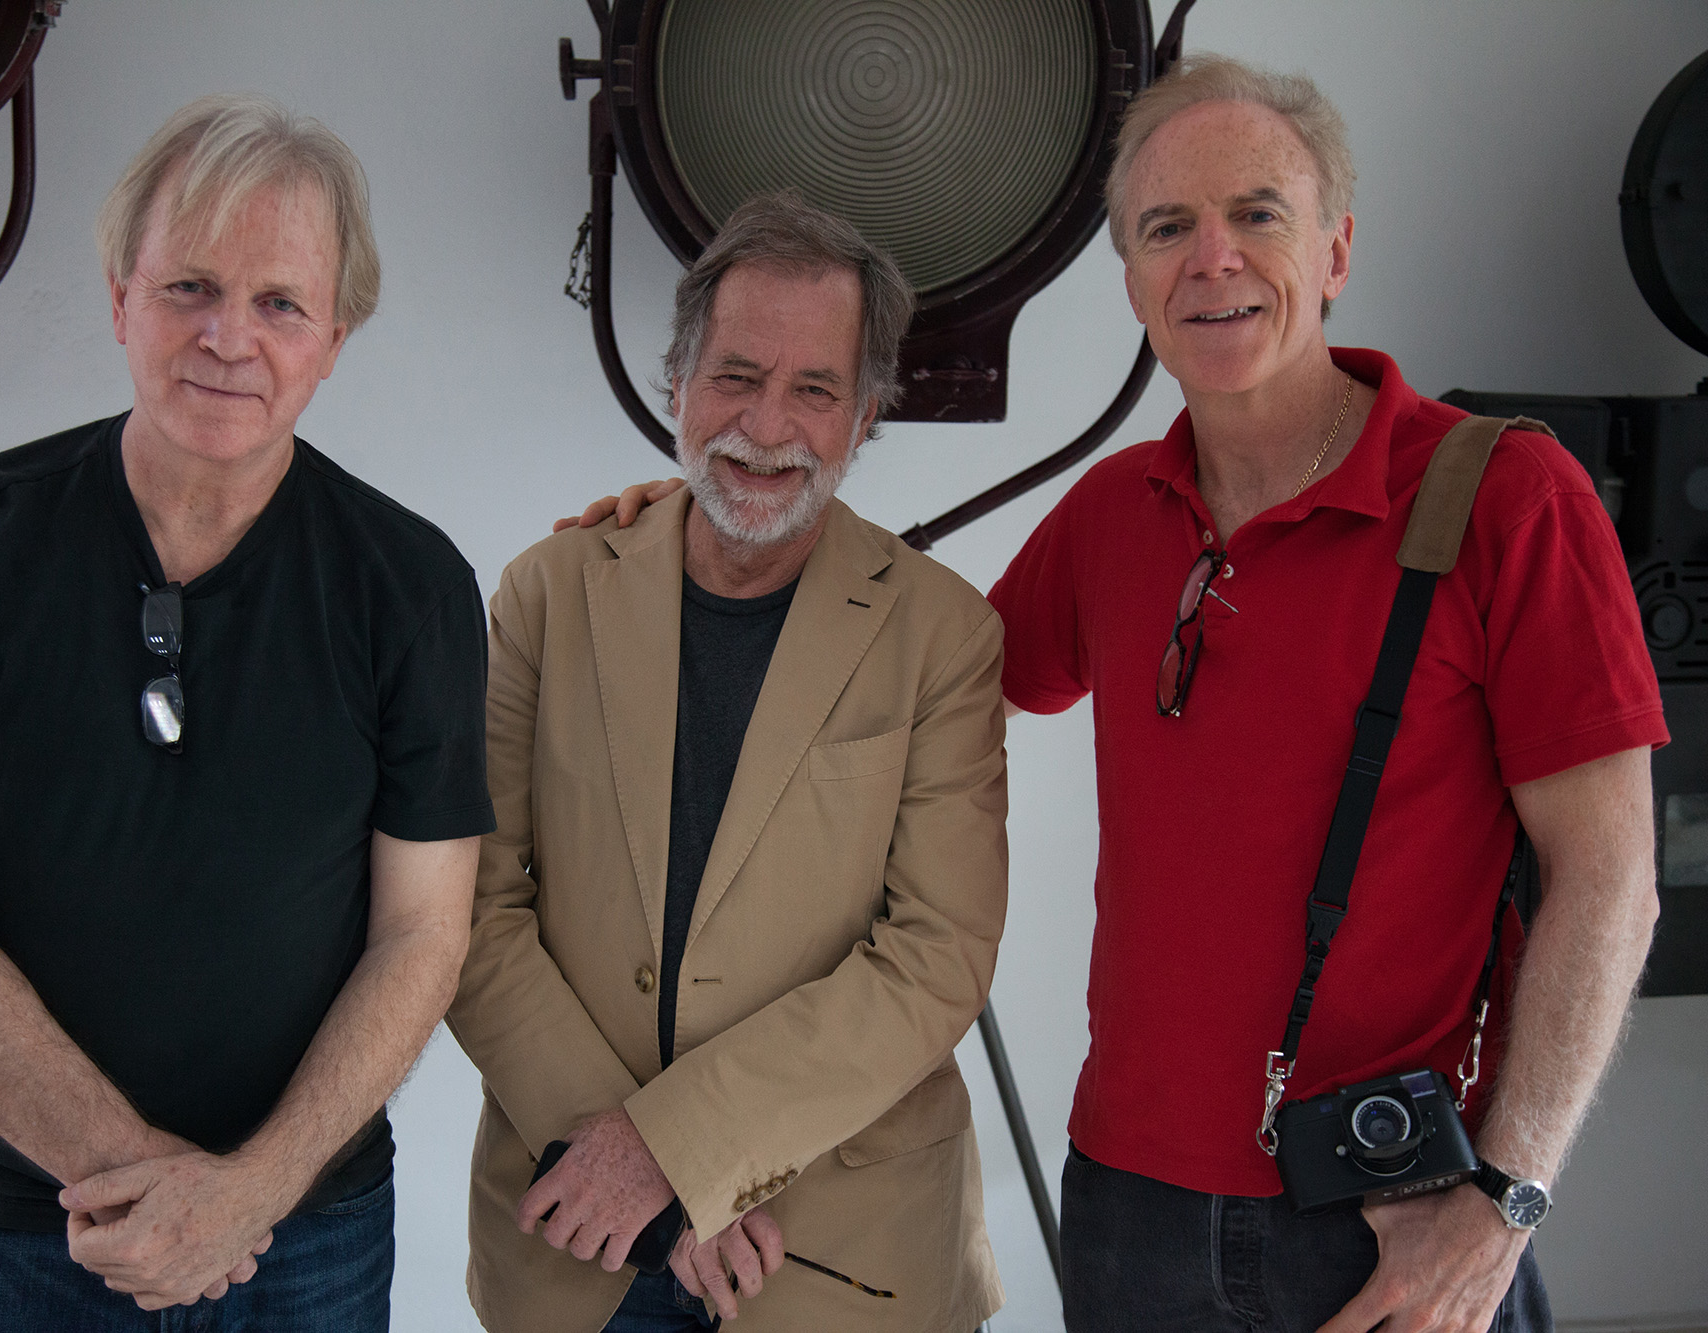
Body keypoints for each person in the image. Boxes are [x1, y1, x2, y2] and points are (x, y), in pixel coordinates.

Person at [575, 56, 1665, 1333]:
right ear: (1133, 278)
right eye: (1165, 228)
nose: (1211, 259)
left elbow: (1609, 879)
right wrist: (715, 528)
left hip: (1391, 1213)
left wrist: (1505, 1200)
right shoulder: (1112, 517)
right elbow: (890, 692)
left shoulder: (1504, 500)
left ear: (1334, 250)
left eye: (1257, 213)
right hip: (1129, 1212)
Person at [0, 94, 495, 1329]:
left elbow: (424, 934)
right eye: (189, 285)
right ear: (119, 297)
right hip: (11, 1229)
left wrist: (251, 1192)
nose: (227, 338)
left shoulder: (411, 587)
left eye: (280, 302)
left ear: (335, 334)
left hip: (300, 1239)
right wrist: (140, 1190)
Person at [444, 191, 1010, 1333]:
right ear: (677, 384)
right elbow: (467, 904)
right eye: (736, 376)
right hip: (575, 1244)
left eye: (815, 389)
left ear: (865, 416)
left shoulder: (941, 636)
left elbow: (934, 955)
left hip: (842, 1261)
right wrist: (631, 1172)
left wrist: (682, 1152)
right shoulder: (544, 595)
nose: (766, 424)